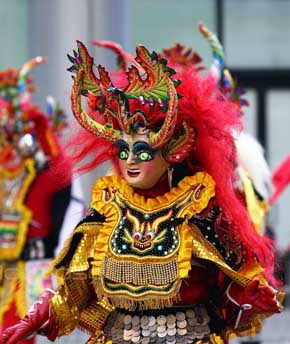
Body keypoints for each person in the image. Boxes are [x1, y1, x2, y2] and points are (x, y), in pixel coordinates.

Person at [0, 27, 283, 344]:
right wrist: (44, 314)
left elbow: (234, 288)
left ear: (172, 151)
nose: (130, 161)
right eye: (123, 151)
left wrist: (248, 297)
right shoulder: (105, 214)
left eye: (143, 151)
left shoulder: (201, 211)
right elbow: (76, 294)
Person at [0, 58, 72, 344]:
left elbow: (63, 171)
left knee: (17, 334)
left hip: (29, 267)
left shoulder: (40, 176)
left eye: (15, 135)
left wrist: (41, 127)